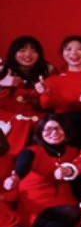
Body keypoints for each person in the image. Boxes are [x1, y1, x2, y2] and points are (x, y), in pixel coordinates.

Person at [3, 114, 76, 227]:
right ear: (40, 132)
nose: (54, 132)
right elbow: (22, 167)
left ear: (66, 130)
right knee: (71, 213)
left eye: (58, 128)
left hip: (65, 201)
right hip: (37, 206)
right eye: (48, 129)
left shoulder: (73, 152)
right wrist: (15, 178)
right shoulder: (31, 151)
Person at [0, 35, 52, 178]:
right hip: (7, 131)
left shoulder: (49, 74)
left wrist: (47, 93)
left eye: (33, 51)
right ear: (13, 52)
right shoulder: (2, 72)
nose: (28, 55)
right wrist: (2, 84)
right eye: (22, 50)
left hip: (37, 131)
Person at [38, 36, 81, 148]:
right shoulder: (52, 80)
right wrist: (46, 93)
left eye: (79, 49)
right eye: (68, 49)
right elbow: (45, 105)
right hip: (63, 129)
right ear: (62, 53)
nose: (73, 53)